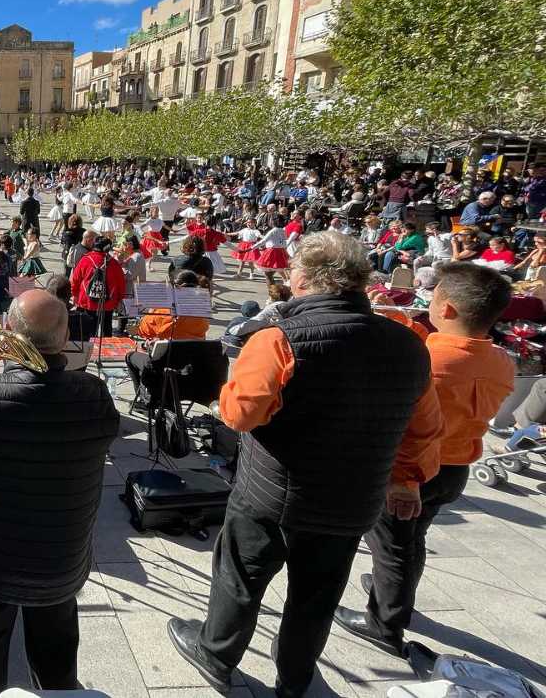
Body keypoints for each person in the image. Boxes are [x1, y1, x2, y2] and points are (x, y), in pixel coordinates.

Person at [166, 231, 442, 697]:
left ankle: (216, 654)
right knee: (317, 595)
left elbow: (239, 414)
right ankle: (294, 677)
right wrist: (406, 481)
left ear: (304, 279)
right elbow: (423, 427)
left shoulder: (277, 338)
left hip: (272, 496)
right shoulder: (411, 343)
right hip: (353, 499)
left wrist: (231, 380)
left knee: (240, 577)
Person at [0, 289, 121, 698]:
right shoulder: (97, 395)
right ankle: (58, 691)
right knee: (56, 643)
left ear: (9, 331)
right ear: (65, 334)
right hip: (62, 557)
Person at [334, 263, 513, 656]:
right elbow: (453, 362)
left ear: (446, 309)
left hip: (409, 471)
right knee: (413, 541)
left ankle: (384, 623)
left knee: (393, 547)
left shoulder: (425, 355)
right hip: (454, 468)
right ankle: (395, 593)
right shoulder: (501, 359)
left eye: (432, 298)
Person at [69, 236, 126, 336]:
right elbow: (121, 283)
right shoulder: (114, 263)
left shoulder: (85, 259)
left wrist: (74, 294)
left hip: (87, 301)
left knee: (87, 332)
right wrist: (119, 299)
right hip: (107, 303)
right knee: (106, 331)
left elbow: (75, 279)